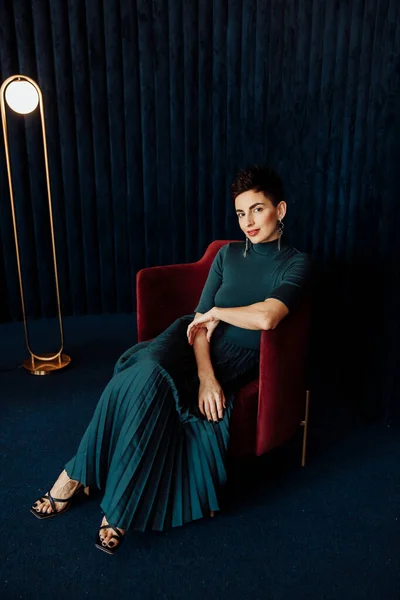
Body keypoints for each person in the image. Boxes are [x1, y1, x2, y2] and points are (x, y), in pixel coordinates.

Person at [30, 165, 311, 555]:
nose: (248, 221)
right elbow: (196, 326)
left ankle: (110, 502)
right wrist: (205, 373)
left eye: (257, 209)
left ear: (280, 210)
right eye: (240, 213)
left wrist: (217, 314)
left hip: (237, 357)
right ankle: (73, 476)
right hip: (190, 345)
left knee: (148, 385)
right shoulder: (227, 255)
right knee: (145, 370)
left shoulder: (296, 263)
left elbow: (267, 317)